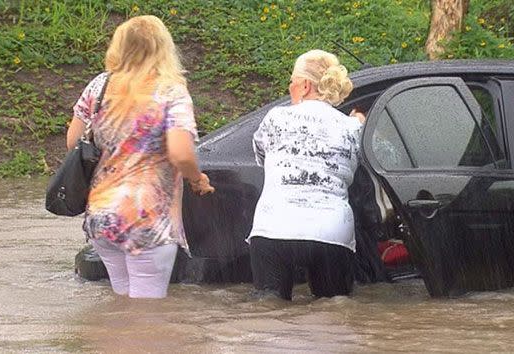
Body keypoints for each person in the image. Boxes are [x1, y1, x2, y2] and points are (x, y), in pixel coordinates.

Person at [66, 15, 214, 299]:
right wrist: (198, 179)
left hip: (101, 214)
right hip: (146, 216)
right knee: (146, 314)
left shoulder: (100, 86)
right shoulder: (170, 90)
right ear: (163, 47)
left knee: (123, 304)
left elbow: (73, 142)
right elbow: (182, 153)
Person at [247, 49, 362, 300]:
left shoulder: (276, 118)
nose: (290, 87)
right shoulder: (352, 127)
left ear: (306, 85)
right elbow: (368, 161)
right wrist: (361, 124)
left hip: (275, 227)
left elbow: (262, 157)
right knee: (333, 307)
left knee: (269, 307)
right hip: (331, 231)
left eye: (292, 81)